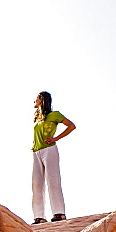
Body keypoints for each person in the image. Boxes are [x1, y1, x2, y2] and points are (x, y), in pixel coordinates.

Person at [31, 91, 76, 224]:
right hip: (36, 151)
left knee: (53, 181)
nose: (34, 101)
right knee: (36, 184)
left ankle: (59, 213)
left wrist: (56, 138)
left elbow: (71, 126)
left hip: (50, 150)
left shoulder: (54, 115)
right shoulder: (38, 118)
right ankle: (39, 216)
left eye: (36, 98)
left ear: (42, 100)